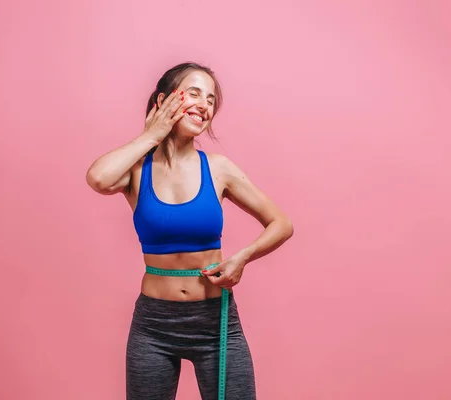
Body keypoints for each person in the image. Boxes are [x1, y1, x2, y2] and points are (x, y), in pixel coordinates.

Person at [85, 62, 294, 400]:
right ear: (164, 101)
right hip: (153, 325)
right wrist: (151, 135)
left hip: (215, 323)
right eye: (194, 93)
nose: (205, 105)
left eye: (211, 99)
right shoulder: (137, 171)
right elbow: (97, 178)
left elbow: (282, 224)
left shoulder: (218, 169)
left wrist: (242, 257)